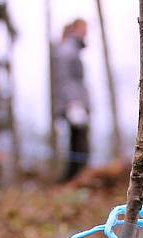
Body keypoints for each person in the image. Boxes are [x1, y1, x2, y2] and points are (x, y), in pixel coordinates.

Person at [57, 19, 90, 182]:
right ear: (76, 29)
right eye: (85, 28)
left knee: (76, 140)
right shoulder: (68, 50)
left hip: (76, 100)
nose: (87, 32)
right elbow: (65, 79)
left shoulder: (72, 49)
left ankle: (74, 178)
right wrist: (74, 102)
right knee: (79, 142)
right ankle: (76, 178)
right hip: (74, 102)